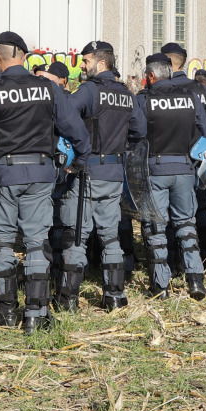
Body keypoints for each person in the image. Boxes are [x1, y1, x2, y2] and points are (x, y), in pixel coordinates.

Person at [0, 32, 91, 333]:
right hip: (40, 175)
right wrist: (81, 159)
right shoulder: (48, 89)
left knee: (1, 242)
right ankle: (36, 314)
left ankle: (4, 312)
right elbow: (75, 129)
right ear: (24, 56)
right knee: (37, 242)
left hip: (2, 178)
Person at [54, 40, 145, 311]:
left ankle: (68, 299)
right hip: (114, 173)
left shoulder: (89, 90)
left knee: (77, 234)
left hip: (88, 173)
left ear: (101, 62)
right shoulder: (126, 94)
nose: (82, 66)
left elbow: (64, 116)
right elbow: (140, 130)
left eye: (86, 61)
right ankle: (115, 295)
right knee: (110, 235)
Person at [136, 53, 206, 298]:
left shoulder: (144, 100)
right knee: (186, 225)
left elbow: (136, 133)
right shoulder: (190, 97)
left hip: (155, 169)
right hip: (185, 168)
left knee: (156, 227)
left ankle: (161, 286)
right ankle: (196, 280)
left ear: (151, 75)